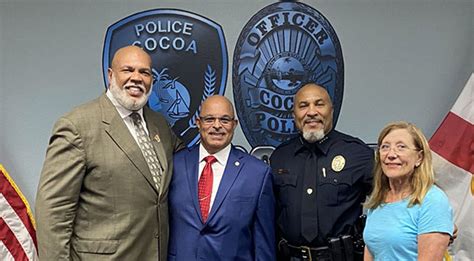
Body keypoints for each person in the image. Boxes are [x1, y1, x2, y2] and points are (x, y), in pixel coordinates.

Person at [35, 45, 183, 260]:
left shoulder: (158, 124)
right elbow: (53, 211)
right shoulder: (77, 125)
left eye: (144, 72)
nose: (136, 78)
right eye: (128, 70)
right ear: (110, 75)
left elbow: (190, 159)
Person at [270, 83, 374, 261]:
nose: (311, 112)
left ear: (331, 110)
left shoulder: (357, 153)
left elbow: (390, 200)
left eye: (319, 104)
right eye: (303, 106)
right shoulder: (280, 156)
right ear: (294, 115)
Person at [168, 95, 276, 260]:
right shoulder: (175, 164)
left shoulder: (258, 173)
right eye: (209, 119)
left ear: (235, 125)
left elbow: (263, 244)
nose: (217, 126)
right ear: (198, 123)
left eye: (225, 120)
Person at [363, 121, 453, 260]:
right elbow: (371, 252)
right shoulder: (377, 201)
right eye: (385, 147)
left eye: (401, 147)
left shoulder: (432, 200)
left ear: (419, 157)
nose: (391, 154)